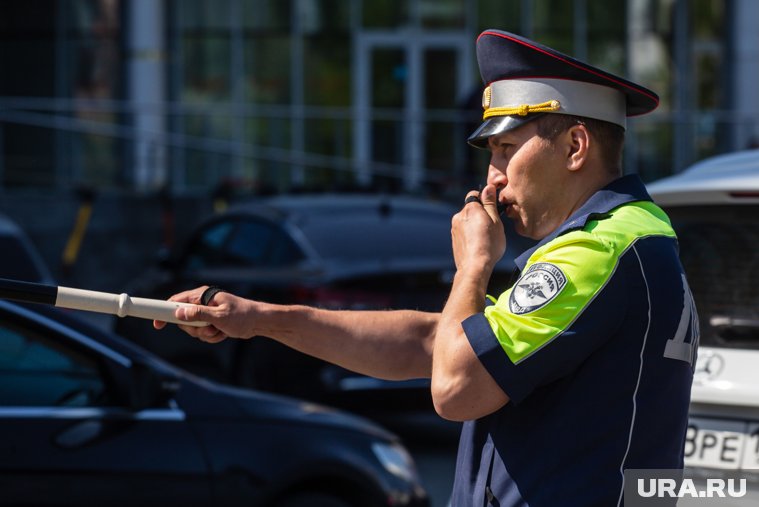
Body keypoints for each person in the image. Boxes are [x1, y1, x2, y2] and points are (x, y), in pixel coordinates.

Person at [155, 29, 698, 506]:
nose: (493, 178)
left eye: (507, 148)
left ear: (576, 146)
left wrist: (473, 267)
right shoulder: (623, 237)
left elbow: (455, 386)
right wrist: (256, 317)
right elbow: (431, 344)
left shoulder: (595, 251)